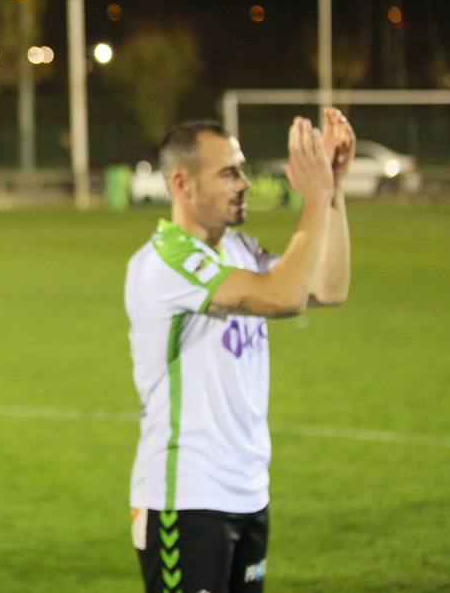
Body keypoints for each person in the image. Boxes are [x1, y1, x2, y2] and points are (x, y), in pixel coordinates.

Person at [125, 112, 353, 593]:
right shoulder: (165, 262)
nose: (244, 183)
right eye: (229, 172)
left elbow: (328, 287)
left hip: (249, 490)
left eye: (242, 169)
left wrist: (333, 191)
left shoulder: (239, 248)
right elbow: (284, 295)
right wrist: (314, 196)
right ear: (182, 183)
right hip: (185, 500)